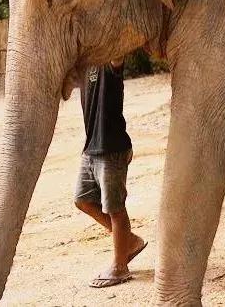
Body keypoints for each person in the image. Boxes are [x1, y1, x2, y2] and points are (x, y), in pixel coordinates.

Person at [74, 61, 146, 288]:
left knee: (115, 208)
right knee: (83, 200)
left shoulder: (110, 61)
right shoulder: (84, 66)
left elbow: (118, 51)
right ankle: (130, 242)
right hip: (90, 148)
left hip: (111, 147)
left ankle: (120, 267)